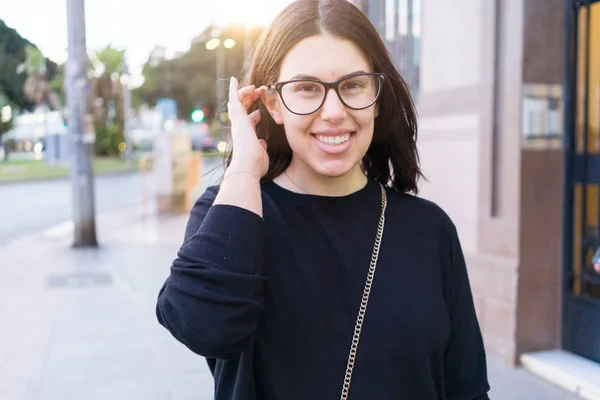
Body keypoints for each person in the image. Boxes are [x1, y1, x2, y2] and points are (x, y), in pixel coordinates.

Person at [156, 0, 490, 399]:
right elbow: (204, 328)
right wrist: (245, 165)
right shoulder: (233, 212)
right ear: (274, 104)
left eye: (352, 85)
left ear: (377, 95)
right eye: (306, 88)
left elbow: (465, 388)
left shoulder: (429, 229)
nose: (333, 112)